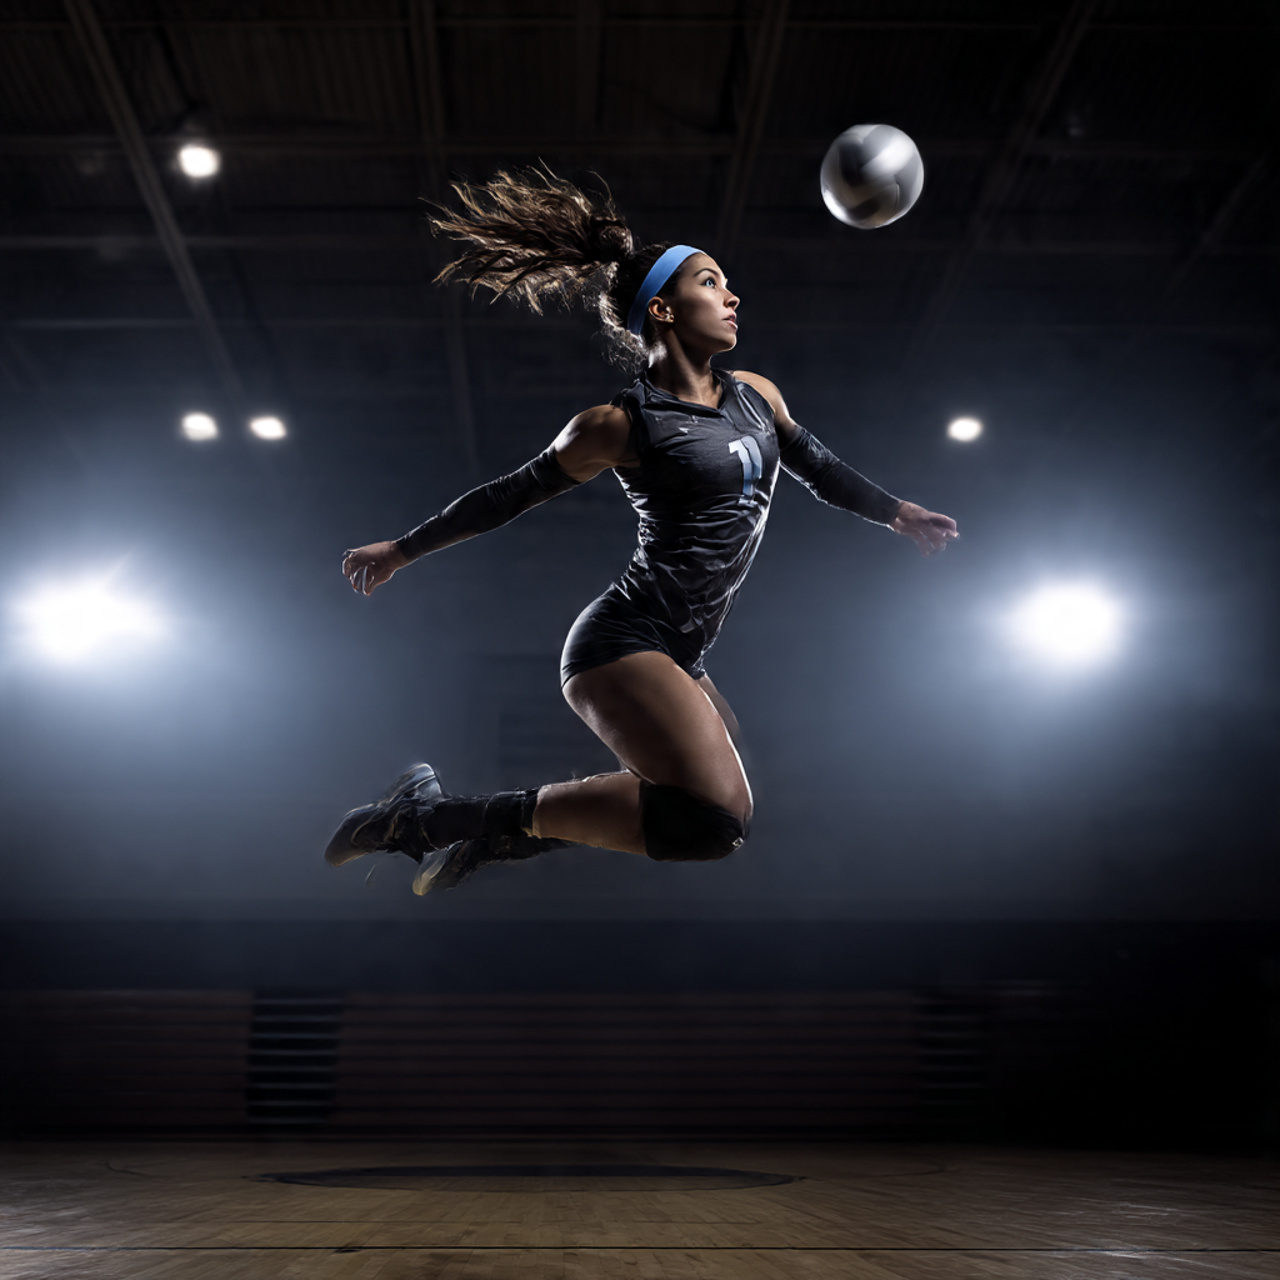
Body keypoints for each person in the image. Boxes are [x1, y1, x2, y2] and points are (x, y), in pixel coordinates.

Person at [325, 169, 957, 894]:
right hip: (623, 641)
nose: (732, 296)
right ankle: (433, 823)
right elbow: (507, 496)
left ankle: (488, 832)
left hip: (681, 646)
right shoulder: (620, 424)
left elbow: (817, 465)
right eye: (711, 283)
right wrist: (403, 550)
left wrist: (897, 512)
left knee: (703, 778)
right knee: (717, 819)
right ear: (661, 309)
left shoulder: (758, 396)